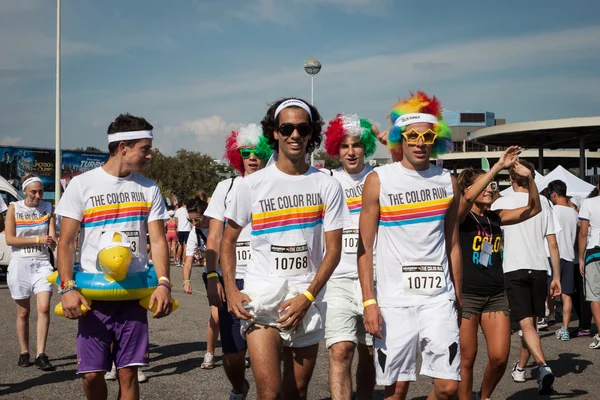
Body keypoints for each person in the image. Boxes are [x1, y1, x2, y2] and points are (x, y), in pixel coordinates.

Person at [221, 98, 348, 400]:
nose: (294, 134)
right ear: (275, 133)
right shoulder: (250, 185)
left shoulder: (327, 185)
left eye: (302, 128)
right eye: (286, 128)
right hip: (262, 296)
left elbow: (333, 250)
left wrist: (307, 297)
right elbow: (227, 241)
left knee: (297, 391)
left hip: (305, 296)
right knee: (270, 392)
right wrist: (230, 288)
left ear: (311, 133)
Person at [56, 113, 173, 400]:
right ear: (123, 147)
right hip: (93, 297)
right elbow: (67, 242)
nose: (149, 155)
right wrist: (67, 287)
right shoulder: (82, 185)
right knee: (92, 375)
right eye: (144, 149)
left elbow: (158, 241)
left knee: (128, 373)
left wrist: (164, 283)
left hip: (133, 296)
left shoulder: (149, 188)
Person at [358, 91, 461, 400]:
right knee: (395, 390)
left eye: (427, 136)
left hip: (438, 299)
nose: (419, 142)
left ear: (436, 139)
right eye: (411, 135)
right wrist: (368, 302)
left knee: (447, 387)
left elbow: (453, 244)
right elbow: (363, 249)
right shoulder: (379, 179)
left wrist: (459, 295)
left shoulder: (448, 181)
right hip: (394, 302)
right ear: (399, 139)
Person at [456, 146, 543, 400]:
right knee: (467, 359)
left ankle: (483, 397)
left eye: (492, 185)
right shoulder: (460, 217)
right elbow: (464, 203)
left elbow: (533, 209)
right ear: (467, 190)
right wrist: (496, 167)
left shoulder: (495, 217)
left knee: (499, 357)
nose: (489, 188)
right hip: (467, 295)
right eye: (483, 185)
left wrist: (530, 179)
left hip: (495, 294)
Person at [202, 124, 271, 398]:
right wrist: (211, 277)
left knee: (265, 350)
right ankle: (239, 388)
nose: (252, 157)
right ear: (237, 156)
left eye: (258, 152)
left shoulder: (275, 185)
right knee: (232, 356)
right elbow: (214, 237)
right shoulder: (225, 187)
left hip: (265, 278)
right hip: (232, 278)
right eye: (246, 152)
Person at [490, 160, 561, 395]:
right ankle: (521, 368)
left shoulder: (500, 202)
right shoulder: (544, 203)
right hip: (540, 268)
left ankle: (542, 366)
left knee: (525, 324)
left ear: (511, 179)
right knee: (530, 325)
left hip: (513, 268)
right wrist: (557, 276)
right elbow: (552, 243)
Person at [321, 113, 378, 399]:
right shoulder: (327, 181)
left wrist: (384, 137)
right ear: (336, 149)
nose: (351, 151)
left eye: (357, 145)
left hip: (374, 277)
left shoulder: (379, 178)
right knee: (341, 349)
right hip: (338, 278)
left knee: (369, 353)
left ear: (365, 147)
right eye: (344, 146)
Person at [5, 174, 56, 371]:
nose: (38, 195)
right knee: (23, 312)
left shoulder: (48, 208)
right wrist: (37, 240)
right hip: (20, 263)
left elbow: (52, 239)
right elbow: (10, 239)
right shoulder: (14, 208)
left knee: (43, 307)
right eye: (33, 192)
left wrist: (64, 265)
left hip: (42, 264)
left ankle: (41, 353)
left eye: (40, 191)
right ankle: (24, 351)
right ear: (25, 191)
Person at [546, 180, 579, 341]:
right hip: (569, 256)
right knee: (567, 294)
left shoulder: (552, 210)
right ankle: (565, 329)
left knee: (548, 290)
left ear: (554, 194)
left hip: (552, 255)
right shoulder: (574, 212)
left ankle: (547, 317)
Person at [578, 183, 600, 349]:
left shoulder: (589, 203)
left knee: (594, 296)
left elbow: (583, 232)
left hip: (594, 252)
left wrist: (580, 257)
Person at [175, 199, 191, 267]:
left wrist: (177, 227)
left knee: (180, 245)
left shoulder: (178, 210)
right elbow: (190, 220)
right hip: (187, 229)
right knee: (186, 246)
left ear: (182, 203)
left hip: (180, 229)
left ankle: (179, 261)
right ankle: (184, 262)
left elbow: (176, 220)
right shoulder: (188, 210)